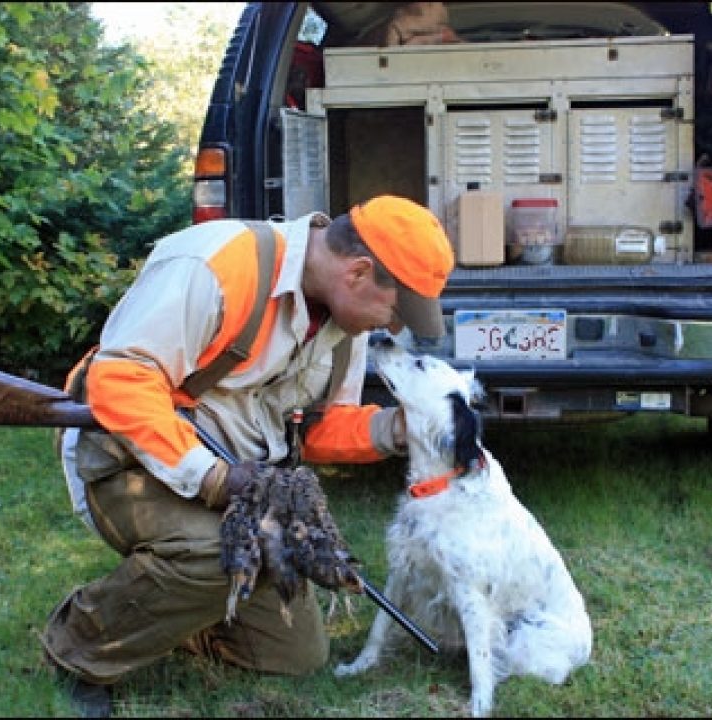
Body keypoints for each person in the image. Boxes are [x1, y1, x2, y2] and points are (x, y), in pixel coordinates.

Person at [40, 195, 454, 716]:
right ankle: (79, 648)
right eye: (396, 311)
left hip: (236, 480)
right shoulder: (218, 264)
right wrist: (213, 477)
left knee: (296, 653)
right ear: (358, 272)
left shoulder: (344, 331)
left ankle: (173, 612)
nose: (393, 328)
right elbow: (122, 380)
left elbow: (316, 428)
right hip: (130, 458)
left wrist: (394, 429)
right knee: (220, 553)